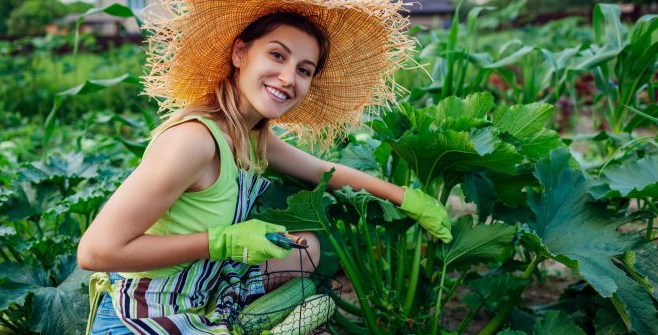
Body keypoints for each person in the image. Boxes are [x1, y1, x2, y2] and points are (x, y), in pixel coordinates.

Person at [77, 0, 452, 334]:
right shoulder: (192, 142)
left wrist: (407, 198)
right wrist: (223, 242)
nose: (289, 78)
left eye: (304, 70)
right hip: (140, 316)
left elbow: (325, 171)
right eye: (277, 55)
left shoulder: (252, 134)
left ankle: (230, 321)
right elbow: (95, 252)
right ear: (240, 53)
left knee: (305, 248)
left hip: (197, 294)